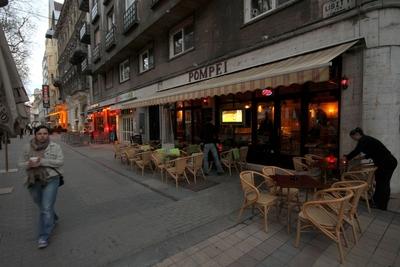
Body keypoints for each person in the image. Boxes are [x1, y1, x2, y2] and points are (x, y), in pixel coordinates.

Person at [18, 125, 64, 248]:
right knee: (41, 205)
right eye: (39, 133)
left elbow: (60, 161)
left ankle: (43, 236)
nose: (42, 136)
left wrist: (42, 161)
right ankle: (52, 217)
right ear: (35, 135)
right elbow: (20, 163)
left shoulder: (55, 146)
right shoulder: (27, 147)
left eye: (45, 133)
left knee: (45, 208)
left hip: (51, 178)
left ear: (48, 135)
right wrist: (29, 164)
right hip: (33, 180)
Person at [343, 127, 397, 210]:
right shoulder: (367, 140)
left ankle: (382, 206)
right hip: (387, 162)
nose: (354, 140)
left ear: (357, 134)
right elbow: (373, 152)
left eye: (353, 138)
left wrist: (347, 157)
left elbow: (356, 151)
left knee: (383, 184)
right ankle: (377, 202)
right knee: (380, 183)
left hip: (387, 163)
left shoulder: (363, 140)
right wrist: (360, 158)